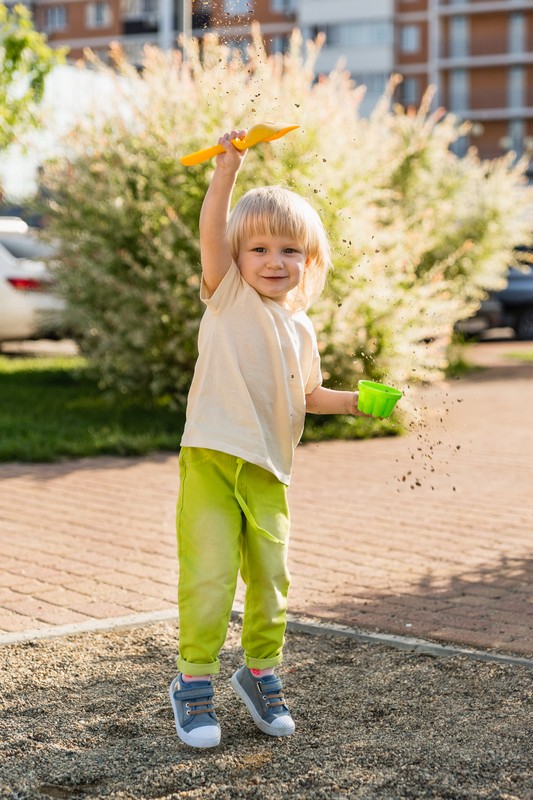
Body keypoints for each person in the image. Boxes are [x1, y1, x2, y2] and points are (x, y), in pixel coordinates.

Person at [169, 129, 370, 749]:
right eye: (257, 248)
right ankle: (194, 683)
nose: (273, 261)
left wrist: (358, 402)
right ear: (237, 258)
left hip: (269, 471)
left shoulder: (300, 327)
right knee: (209, 575)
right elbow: (211, 233)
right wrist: (226, 171)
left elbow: (308, 396)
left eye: (289, 250)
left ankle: (259, 673)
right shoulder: (228, 296)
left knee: (272, 578)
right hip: (211, 458)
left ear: (309, 261)